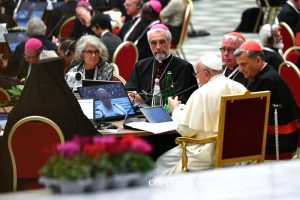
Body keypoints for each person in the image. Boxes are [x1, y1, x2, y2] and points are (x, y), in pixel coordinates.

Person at [0, 56, 98, 192]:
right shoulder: (68, 108)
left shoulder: (19, 110)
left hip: (22, 186)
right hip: (65, 182)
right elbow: (90, 137)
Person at [156, 54, 247, 175]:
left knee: (161, 163)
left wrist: (176, 110)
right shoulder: (240, 88)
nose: (197, 78)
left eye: (197, 74)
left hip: (207, 153)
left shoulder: (201, 93)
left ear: (206, 74)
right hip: (238, 151)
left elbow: (185, 130)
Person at [234, 40, 299, 158]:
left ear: (258, 60)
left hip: (279, 139)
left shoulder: (265, 81)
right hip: (281, 135)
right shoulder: (264, 73)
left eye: (243, 64)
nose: (240, 69)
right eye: (238, 65)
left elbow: (251, 117)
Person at [125, 23, 197, 105]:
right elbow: (129, 89)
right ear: (149, 45)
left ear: (170, 43)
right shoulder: (140, 66)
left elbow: (174, 97)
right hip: (140, 113)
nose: (158, 47)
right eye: (153, 43)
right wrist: (131, 94)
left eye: (162, 42)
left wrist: (143, 99)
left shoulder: (184, 68)